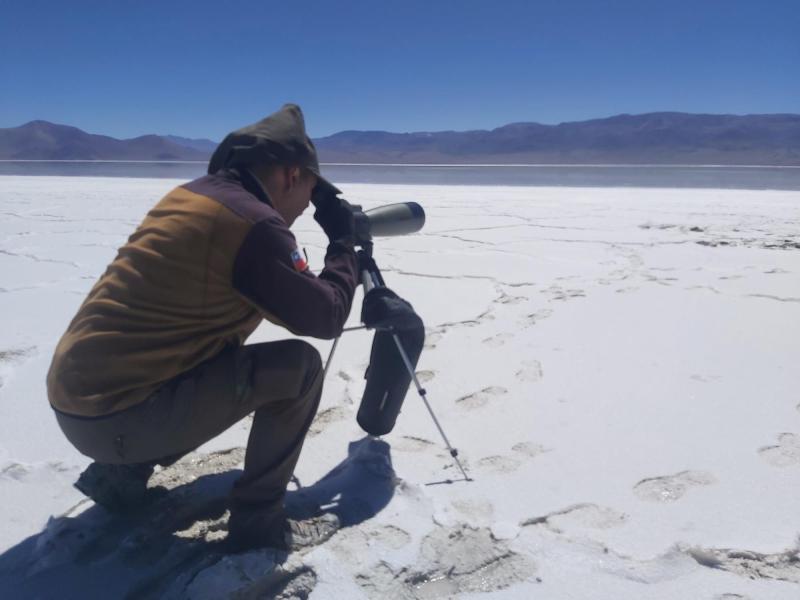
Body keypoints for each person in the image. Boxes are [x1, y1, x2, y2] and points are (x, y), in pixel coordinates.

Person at [46, 104, 361, 551]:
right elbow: (325, 318)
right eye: (312, 190)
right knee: (300, 368)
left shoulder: (191, 197)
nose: (309, 204)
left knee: (200, 347)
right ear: (292, 175)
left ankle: (118, 480)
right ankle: (259, 526)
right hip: (120, 421)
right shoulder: (251, 222)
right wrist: (344, 245)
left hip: (75, 404)